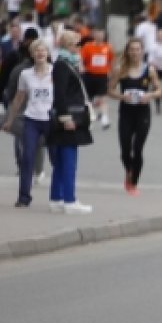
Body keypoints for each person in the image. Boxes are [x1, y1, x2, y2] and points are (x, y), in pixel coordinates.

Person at [2, 39, 55, 207]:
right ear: (32, 54)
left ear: (47, 53)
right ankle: (24, 197)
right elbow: (19, 98)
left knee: (56, 159)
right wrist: (9, 120)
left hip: (50, 120)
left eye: (43, 51)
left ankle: (59, 196)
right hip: (32, 119)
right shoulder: (26, 74)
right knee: (27, 158)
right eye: (36, 51)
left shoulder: (55, 73)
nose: (40, 54)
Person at [47, 31, 94, 213]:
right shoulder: (62, 65)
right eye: (77, 44)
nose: (79, 47)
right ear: (67, 45)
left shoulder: (66, 63)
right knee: (68, 161)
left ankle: (57, 198)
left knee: (60, 160)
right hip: (68, 119)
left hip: (66, 117)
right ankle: (70, 200)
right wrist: (66, 118)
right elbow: (60, 94)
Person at [109, 37, 162, 194]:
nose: (134, 52)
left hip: (142, 113)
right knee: (125, 150)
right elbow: (110, 90)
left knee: (137, 149)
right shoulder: (121, 70)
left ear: (142, 51)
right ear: (127, 51)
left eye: (137, 49)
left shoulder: (149, 70)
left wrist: (150, 96)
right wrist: (121, 97)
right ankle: (129, 170)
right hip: (126, 113)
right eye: (131, 49)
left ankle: (133, 183)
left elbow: (159, 90)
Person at [80, 27, 115, 128]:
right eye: (97, 34)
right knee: (88, 99)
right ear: (94, 35)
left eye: (101, 34)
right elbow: (82, 59)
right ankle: (90, 118)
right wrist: (82, 67)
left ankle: (104, 118)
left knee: (103, 97)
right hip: (89, 75)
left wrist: (112, 74)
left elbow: (111, 61)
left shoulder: (108, 47)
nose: (99, 36)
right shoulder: (87, 47)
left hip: (102, 76)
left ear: (104, 35)